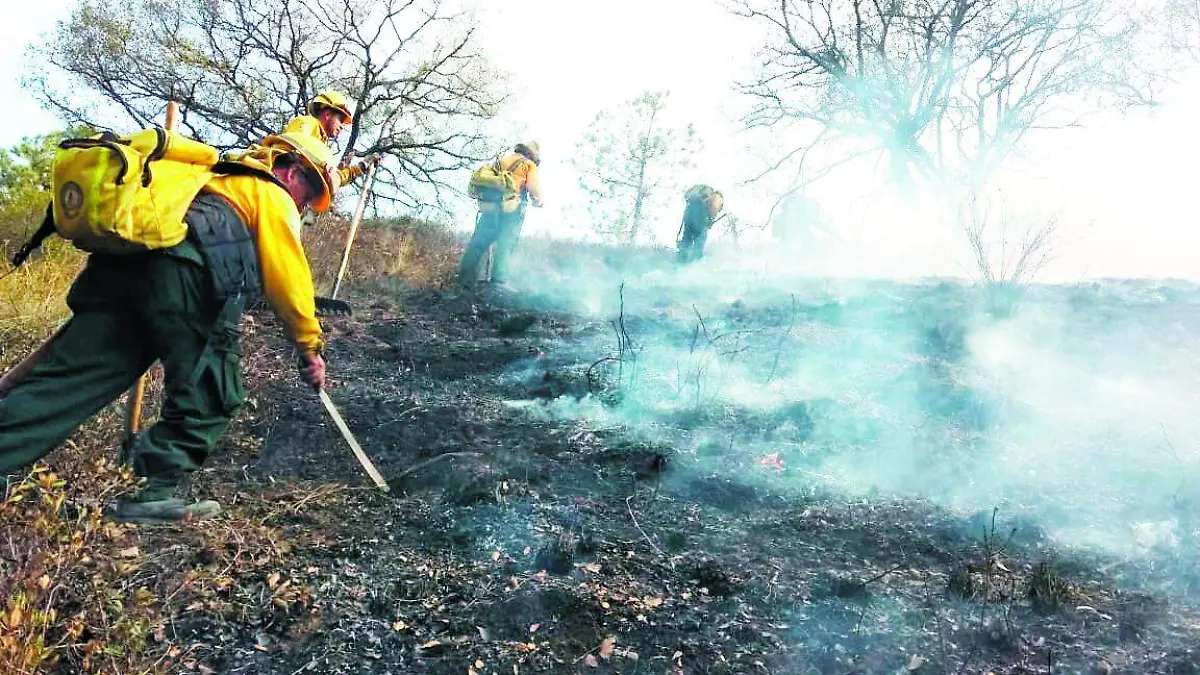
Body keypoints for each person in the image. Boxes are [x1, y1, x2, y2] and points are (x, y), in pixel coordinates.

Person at [0, 131, 336, 524]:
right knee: (213, 390)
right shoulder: (271, 194)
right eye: (310, 194)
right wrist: (309, 348)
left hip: (121, 270)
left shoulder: (205, 177)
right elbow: (289, 279)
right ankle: (157, 493)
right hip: (185, 275)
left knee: (70, 379)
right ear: (293, 172)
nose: (306, 205)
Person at [457, 141, 544, 287]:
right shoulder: (529, 165)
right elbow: (533, 189)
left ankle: (463, 281)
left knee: (478, 243)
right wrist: (538, 201)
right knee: (506, 244)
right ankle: (498, 283)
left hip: (490, 208)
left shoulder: (500, 162)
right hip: (512, 210)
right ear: (531, 154)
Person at [277, 90, 381, 187]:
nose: (342, 126)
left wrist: (362, 166)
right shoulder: (308, 123)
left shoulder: (320, 146)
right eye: (340, 120)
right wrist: (328, 169)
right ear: (327, 114)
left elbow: (333, 180)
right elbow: (294, 149)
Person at [677, 185, 724, 264]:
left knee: (687, 238)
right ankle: (695, 264)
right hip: (701, 215)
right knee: (700, 239)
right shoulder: (717, 198)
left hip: (689, 213)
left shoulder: (698, 195)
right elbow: (713, 210)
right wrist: (709, 221)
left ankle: (680, 261)